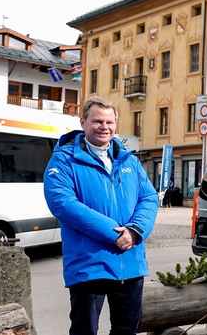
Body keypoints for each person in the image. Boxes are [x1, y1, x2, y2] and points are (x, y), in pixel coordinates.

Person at [44, 95, 159, 335]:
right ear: (83, 122)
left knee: (126, 330)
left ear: (116, 124)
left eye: (109, 122)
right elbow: (63, 203)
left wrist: (135, 231)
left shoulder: (130, 161)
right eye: (97, 121)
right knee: (84, 330)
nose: (104, 127)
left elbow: (148, 198)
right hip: (89, 263)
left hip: (130, 263)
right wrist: (114, 233)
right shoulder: (64, 160)